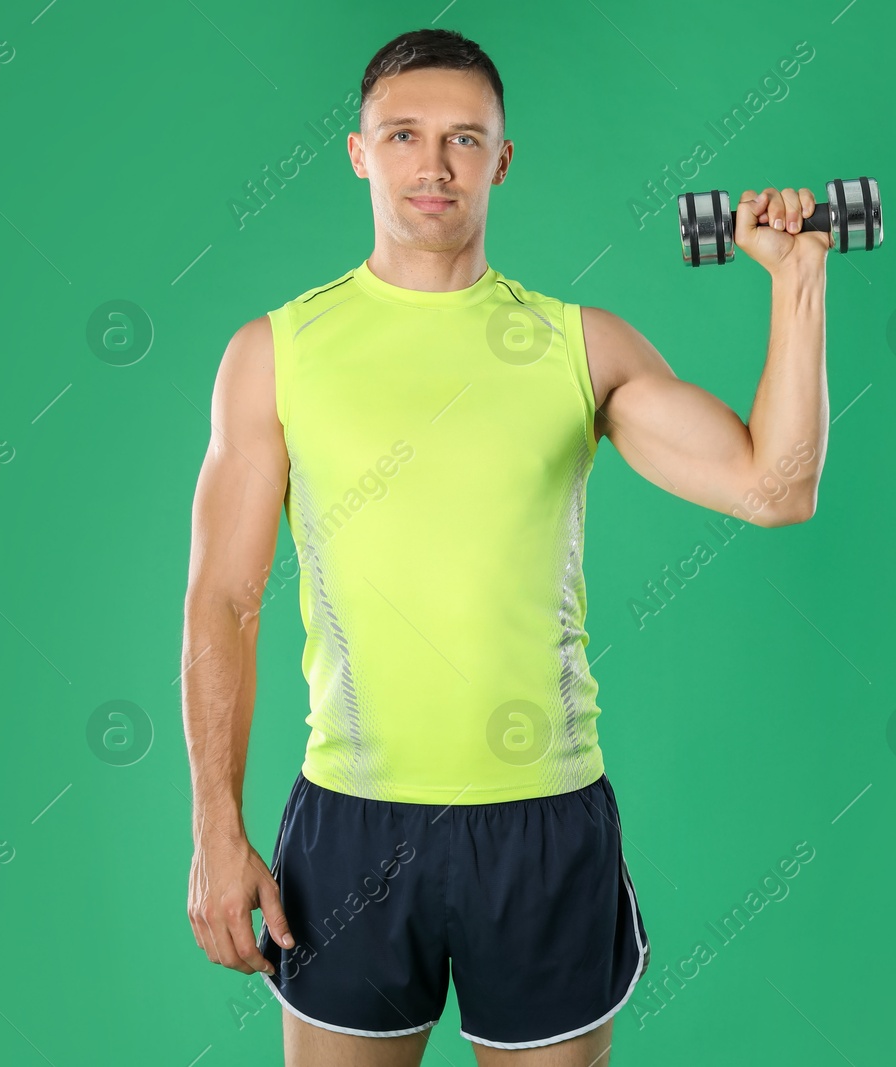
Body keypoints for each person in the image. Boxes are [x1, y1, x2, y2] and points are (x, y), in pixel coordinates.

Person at [181, 25, 829, 1067]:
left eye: (463, 139)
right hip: (349, 823)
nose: (431, 164)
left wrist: (796, 282)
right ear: (358, 151)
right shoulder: (275, 353)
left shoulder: (580, 344)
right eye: (402, 135)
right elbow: (222, 595)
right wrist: (216, 824)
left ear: (501, 158)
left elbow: (774, 485)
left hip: (542, 825)